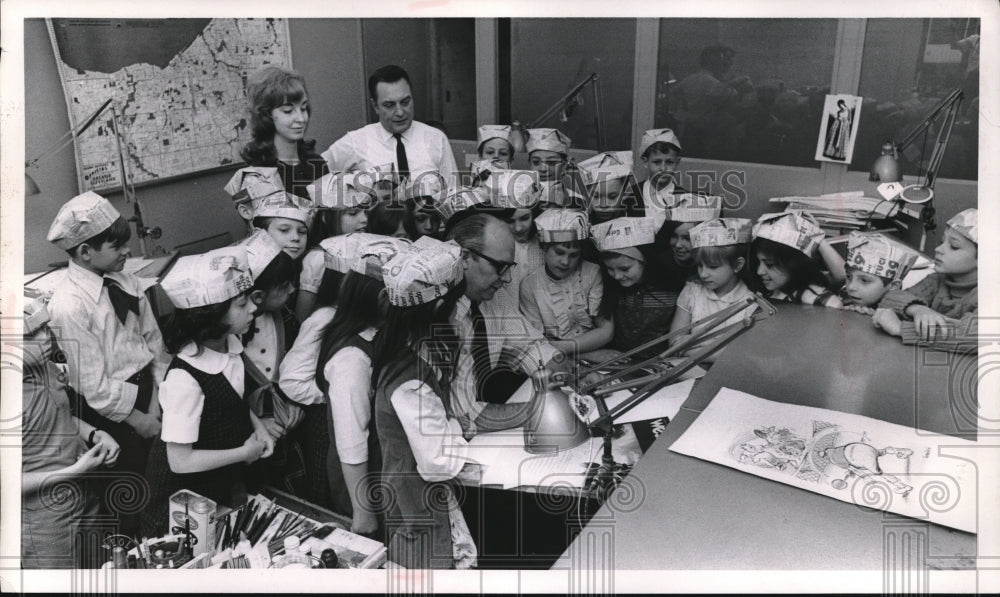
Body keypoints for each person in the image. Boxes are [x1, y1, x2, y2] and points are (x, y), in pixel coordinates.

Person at [140, 247, 274, 537]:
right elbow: (180, 461)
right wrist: (243, 452)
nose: (253, 308)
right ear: (211, 316)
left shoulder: (231, 348)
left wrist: (259, 427)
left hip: (217, 489)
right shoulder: (183, 379)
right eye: (241, 304)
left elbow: (232, 399)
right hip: (180, 505)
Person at [44, 192, 169, 492]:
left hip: (151, 393)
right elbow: (93, 386)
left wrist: (158, 397)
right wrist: (140, 420)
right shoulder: (69, 305)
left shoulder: (126, 280)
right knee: (134, 488)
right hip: (113, 415)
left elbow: (154, 342)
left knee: (163, 478)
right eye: (117, 246)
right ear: (86, 251)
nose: (128, 250)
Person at [370, 237, 478, 569]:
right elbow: (436, 461)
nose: (462, 309)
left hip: (424, 494)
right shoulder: (409, 378)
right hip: (414, 503)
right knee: (430, 570)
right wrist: (458, 430)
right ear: (435, 308)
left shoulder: (418, 345)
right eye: (457, 301)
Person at [314, 235, 411, 533]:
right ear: (383, 300)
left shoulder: (375, 334)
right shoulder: (351, 359)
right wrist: (362, 513)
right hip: (365, 486)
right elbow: (351, 441)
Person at [21, 295, 120, 569]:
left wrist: (94, 433)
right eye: (31, 334)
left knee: (97, 577)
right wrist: (72, 472)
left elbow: (58, 416)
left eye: (44, 327)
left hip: (84, 497)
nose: (45, 338)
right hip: (43, 520)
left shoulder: (45, 366)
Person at [446, 214, 566, 433]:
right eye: (500, 267)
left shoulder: (494, 298)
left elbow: (532, 347)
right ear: (464, 258)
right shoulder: (444, 315)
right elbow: (466, 415)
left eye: (509, 267)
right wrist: (547, 407)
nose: (508, 279)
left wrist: (568, 377)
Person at [235, 230, 306, 497]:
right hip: (250, 432)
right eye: (284, 285)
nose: (292, 289)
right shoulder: (231, 333)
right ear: (258, 294)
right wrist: (256, 422)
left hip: (287, 419)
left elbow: (301, 364)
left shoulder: (286, 318)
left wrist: (295, 399)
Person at [322, 65, 458, 189]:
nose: (400, 112)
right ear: (375, 106)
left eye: (405, 102)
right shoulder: (355, 141)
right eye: (389, 105)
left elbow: (454, 193)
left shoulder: (436, 139)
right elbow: (314, 176)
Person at [873, 209, 977, 353]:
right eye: (942, 242)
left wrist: (900, 328)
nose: (938, 249)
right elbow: (891, 297)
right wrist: (918, 309)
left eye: (954, 246)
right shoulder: (937, 280)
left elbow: (975, 337)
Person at [519, 209, 611, 359]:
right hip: (558, 359)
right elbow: (538, 343)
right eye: (559, 252)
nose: (565, 262)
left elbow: (606, 331)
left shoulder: (592, 272)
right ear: (544, 247)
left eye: (574, 255)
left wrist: (560, 348)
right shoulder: (530, 285)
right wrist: (586, 355)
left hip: (598, 354)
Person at [592, 216, 678, 361]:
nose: (617, 276)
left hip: (661, 362)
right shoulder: (608, 287)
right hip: (619, 361)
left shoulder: (671, 286)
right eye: (610, 269)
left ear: (645, 260)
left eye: (625, 269)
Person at [669, 218, 757, 357]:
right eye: (699, 265)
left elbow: (740, 356)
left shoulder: (751, 304)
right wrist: (722, 348)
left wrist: (692, 343)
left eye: (713, 267)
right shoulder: (692, 292)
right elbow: (674, 344)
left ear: (737, 265)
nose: (703, 274)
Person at [240, 66, 328, 199]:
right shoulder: (258, 176)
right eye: (288, 111)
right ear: (266, 115)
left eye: (303, 108)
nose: (301, 119)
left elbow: (333, 216)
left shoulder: (318, 163)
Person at [297, 172, 375, 320]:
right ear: (327, 218)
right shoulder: (319, 259)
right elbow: (303, 317)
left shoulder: (368, 253)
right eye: (353, 213)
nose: (364, 219)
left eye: (366, 212)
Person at [670, 43, 752, 157]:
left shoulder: (689, 80)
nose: (729, 63)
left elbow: (673, 98)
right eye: (726, 58)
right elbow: (735, 110)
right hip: (710, 140)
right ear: (713, 60)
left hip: (689, 134)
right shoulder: (714, 84)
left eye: (730, 59)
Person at [750, 211, 846, 307]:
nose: (759, 271)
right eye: (758, 263)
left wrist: (816, 236)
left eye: (769, 264)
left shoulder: (816, 297)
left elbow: (842, 275)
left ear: (793, 264)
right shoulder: (767, 290)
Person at [480, 169, 545, 303]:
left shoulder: (545, 243)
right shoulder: (491, 249)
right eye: (509, 221)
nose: (518, 228)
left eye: (525, 218)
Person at [840, 231, 920, 315]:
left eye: (864, 280)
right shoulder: (843, 296)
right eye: (849, 277)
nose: (851, 287)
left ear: (894, 285)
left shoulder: (900, 313)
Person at [658, 193, 724, 292]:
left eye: (687, 238)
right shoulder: (660, 267)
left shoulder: (716, 274)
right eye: (674, 236)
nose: (678, 245)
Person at [636, 128, 686, 229]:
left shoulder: (684, 198)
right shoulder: (630, 194)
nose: (663, 168)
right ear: (645, 162)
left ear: (677, 162)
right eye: (657, 162)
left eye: (669, 162)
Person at [578, 150, 643, 225]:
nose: (603, 205)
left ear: (625, 193)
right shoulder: (581, 222)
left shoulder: (637, 219)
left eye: (612, 197)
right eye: (595, 196)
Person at [526, 128, 585, 209]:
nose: (543, 169)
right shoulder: (516, 199)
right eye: (536, 162)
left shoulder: (578, 201)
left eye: (551, 162)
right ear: (530, 165)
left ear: (564, 166)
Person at [224, 166, 288, 238]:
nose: (281, 210)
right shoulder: (239, 249)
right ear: (246, 212)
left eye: (284, 202)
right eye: (269, 204)